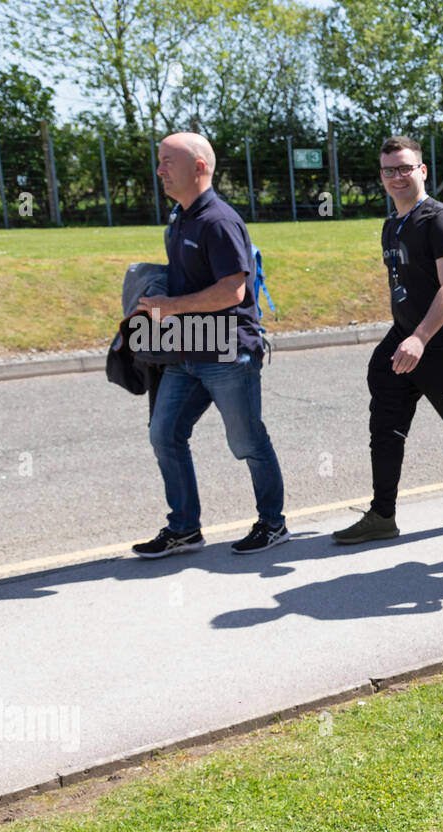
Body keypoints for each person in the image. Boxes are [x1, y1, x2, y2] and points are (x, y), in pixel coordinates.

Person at [333, 136, 443, 544]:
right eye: (389, 170)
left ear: (422, 170)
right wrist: (406, 335)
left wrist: (419, 337)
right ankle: (382, 514)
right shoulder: (392, 223)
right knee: (384, 425)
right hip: (404, 340)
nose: (397, 176)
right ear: (381, 175)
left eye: (405, 168)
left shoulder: (440, 219)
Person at [131, 132, 289, 558]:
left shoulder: (219, 220)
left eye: (168, 161)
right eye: (159, 161)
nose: (160, 169)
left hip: (227, 350)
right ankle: (184, 529)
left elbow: (232, 292)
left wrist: (171, 307)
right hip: (187, 347)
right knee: (164, 433)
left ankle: (273, 524)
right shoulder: (179, 217)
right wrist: (146, 305)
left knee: (247, 441)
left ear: (199, 167)